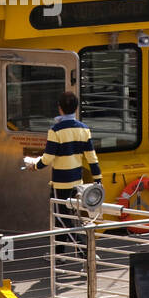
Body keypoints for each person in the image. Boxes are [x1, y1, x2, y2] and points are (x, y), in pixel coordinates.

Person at [35, 91, 102, 223]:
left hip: (60, 183)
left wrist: (36, 166)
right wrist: (98, 179)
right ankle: (75, 242)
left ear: (59, 108)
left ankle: (65, 244)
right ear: (76, 108)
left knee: (60, 219)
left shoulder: (55, 130)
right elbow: (91, 158)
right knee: (73, 216)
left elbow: (48, 158)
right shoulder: (84, 129)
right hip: (77, 183)